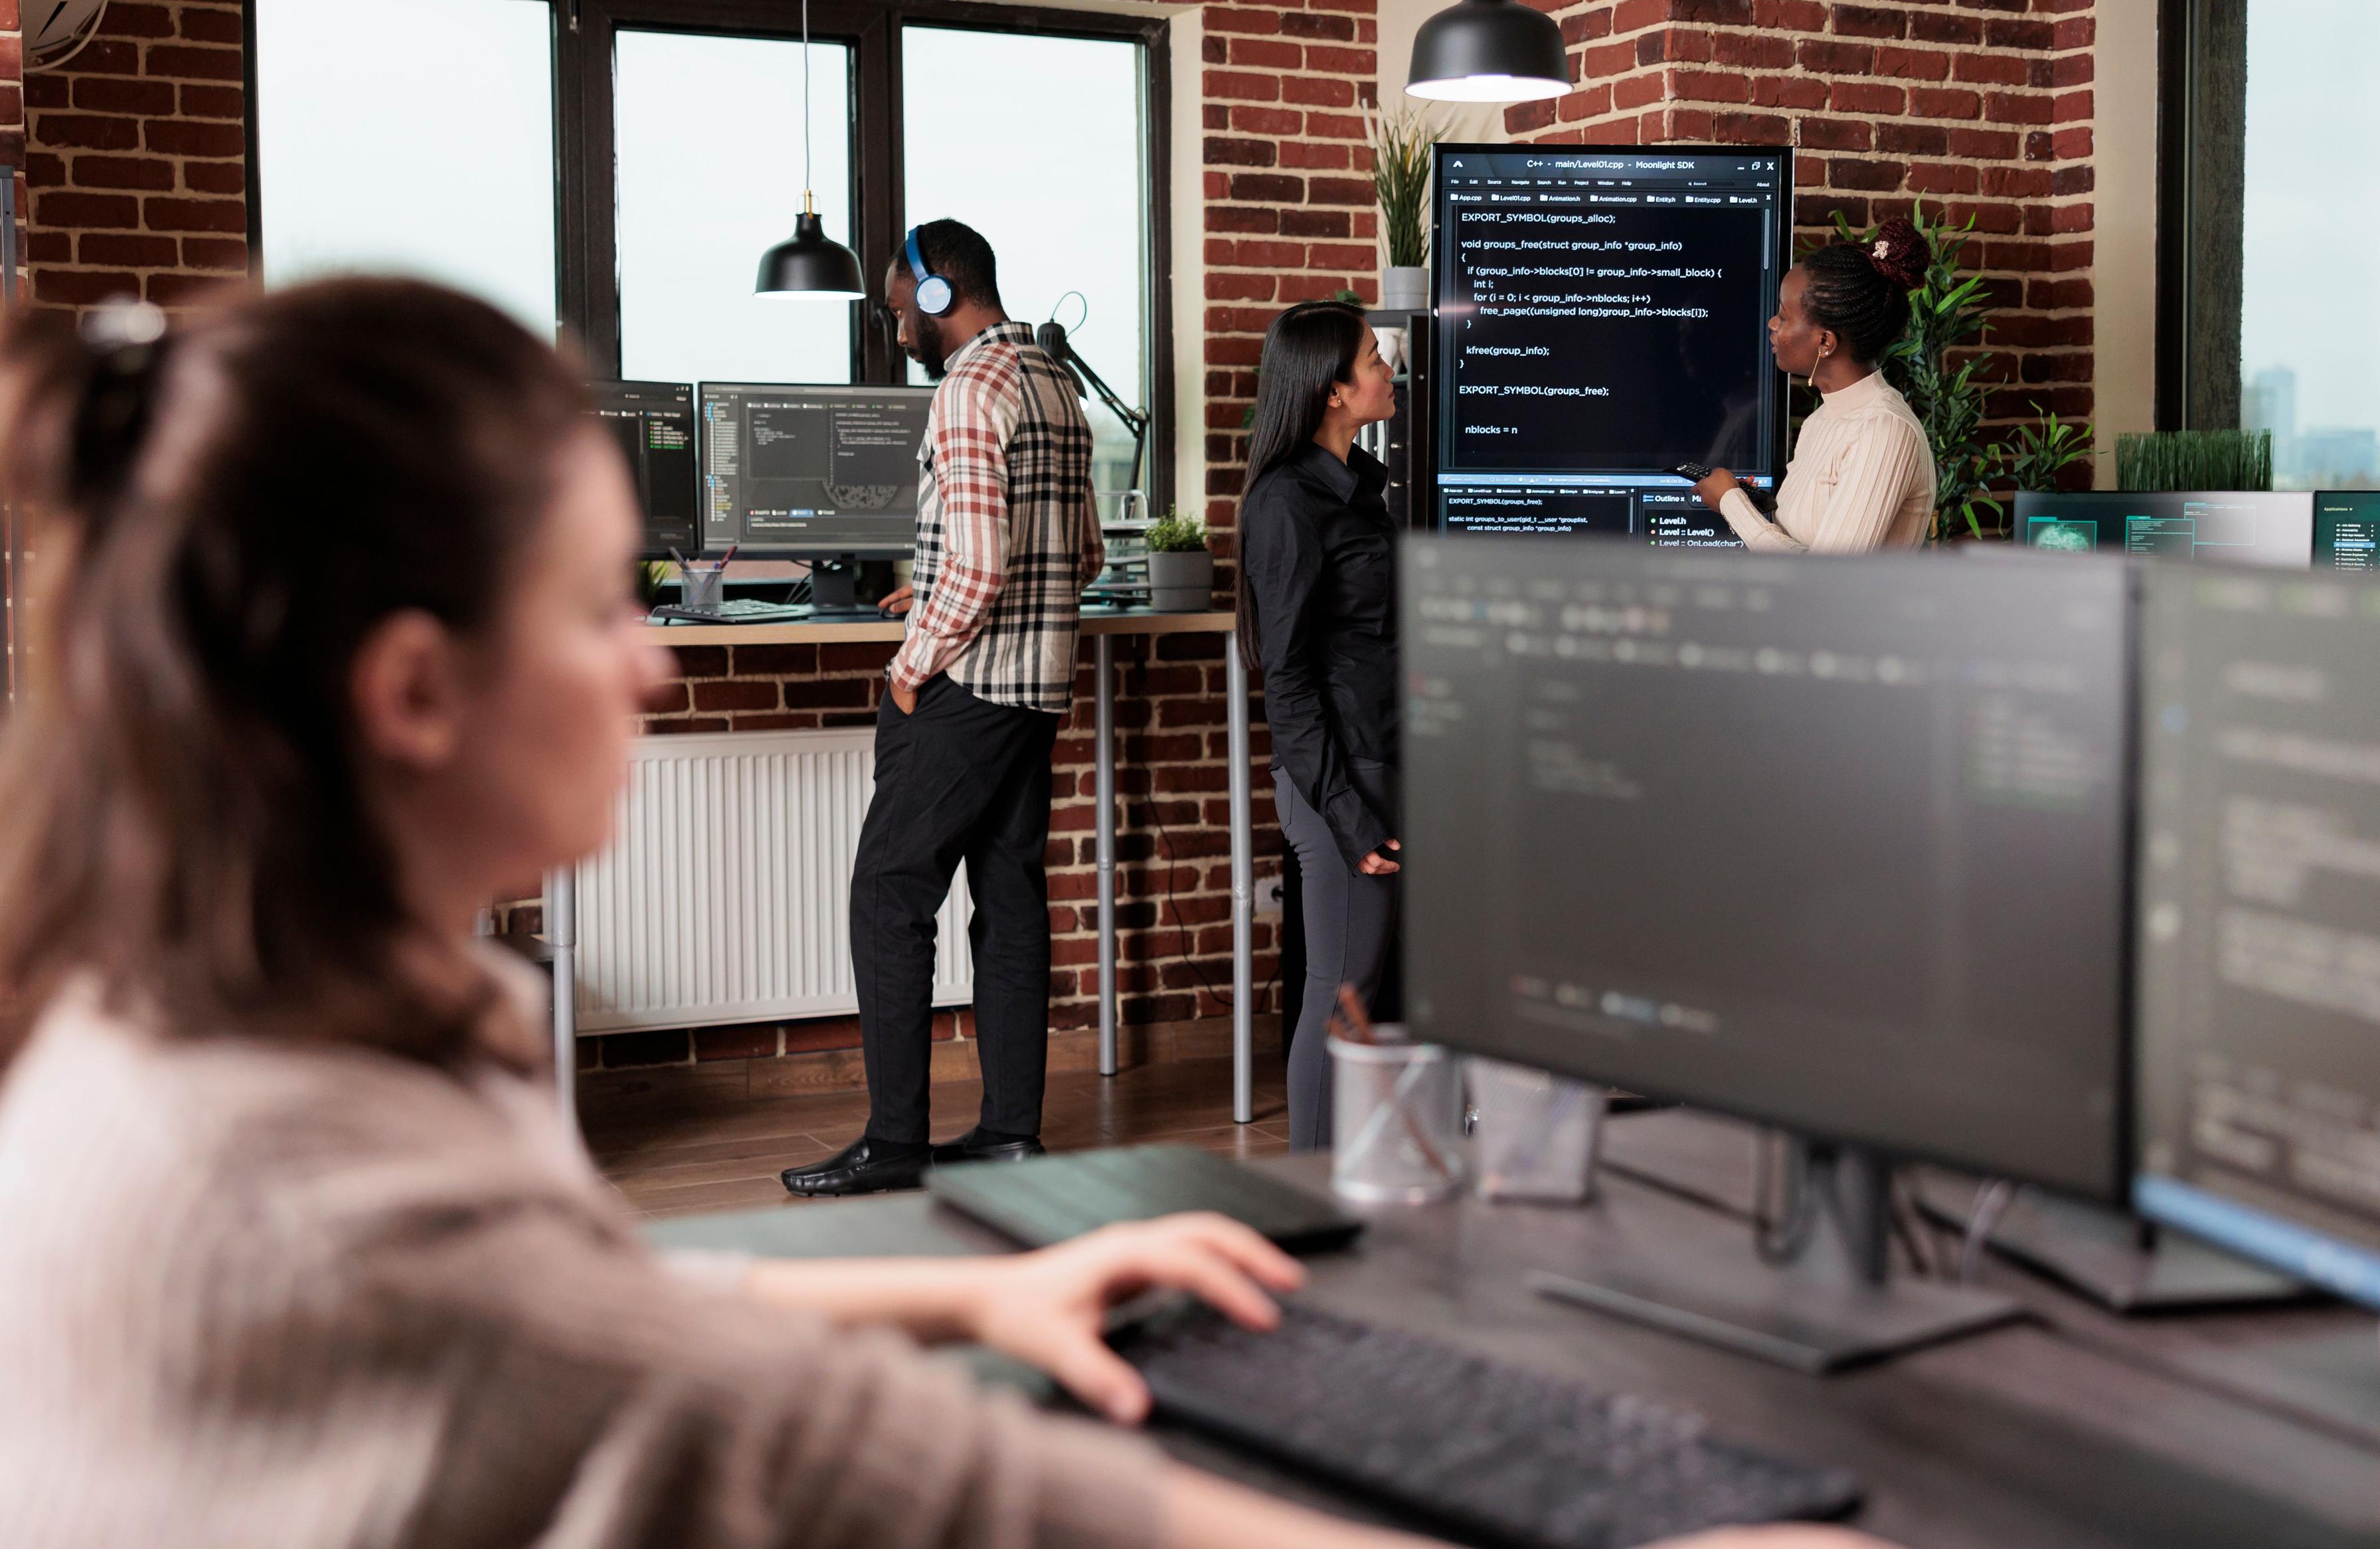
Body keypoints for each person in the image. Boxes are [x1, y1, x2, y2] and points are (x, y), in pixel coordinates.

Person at [0, 277, 1903, 1549]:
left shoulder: (220, 1026)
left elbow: (571, 1308)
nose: (649, 670)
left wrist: (957, 1281)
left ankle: (952, 1156)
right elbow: (952, 1490)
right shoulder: (295, 1201)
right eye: (600, 608)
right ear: (411, 692)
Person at [782, 219, 1104, 1198]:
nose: (898, 337)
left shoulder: (969, 388)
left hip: (963, 688)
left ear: (935, 297)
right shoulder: (1055, 381)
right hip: (1034, 688)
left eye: (898, 316)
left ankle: (894, 1143)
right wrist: (932, 593)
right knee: (1009, 901)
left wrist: (914, 661)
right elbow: (1084, 555)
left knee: (888, 894)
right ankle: (1009, 1132)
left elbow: (977, 560)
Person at [1237, 302, 1401, 1151]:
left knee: (1371, 991)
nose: (1389, 367)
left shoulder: (1362, 488)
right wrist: (1347, 813)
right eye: (1376, 357)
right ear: (1333, 390)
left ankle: (1365, 1182)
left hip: (1381, 763)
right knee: (1339, 989)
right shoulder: (1285, 504)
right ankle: (1308, 1189)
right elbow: (1289, 680)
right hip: (1338, 779)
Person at [1691, 219, 1938, 551]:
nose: (1773, 324)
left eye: (1784, 315)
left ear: (1825, 341)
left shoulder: (1886, 430)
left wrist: (1732, 504)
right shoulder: (1822, 419)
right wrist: (1747, 501)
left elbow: (1827, 581)